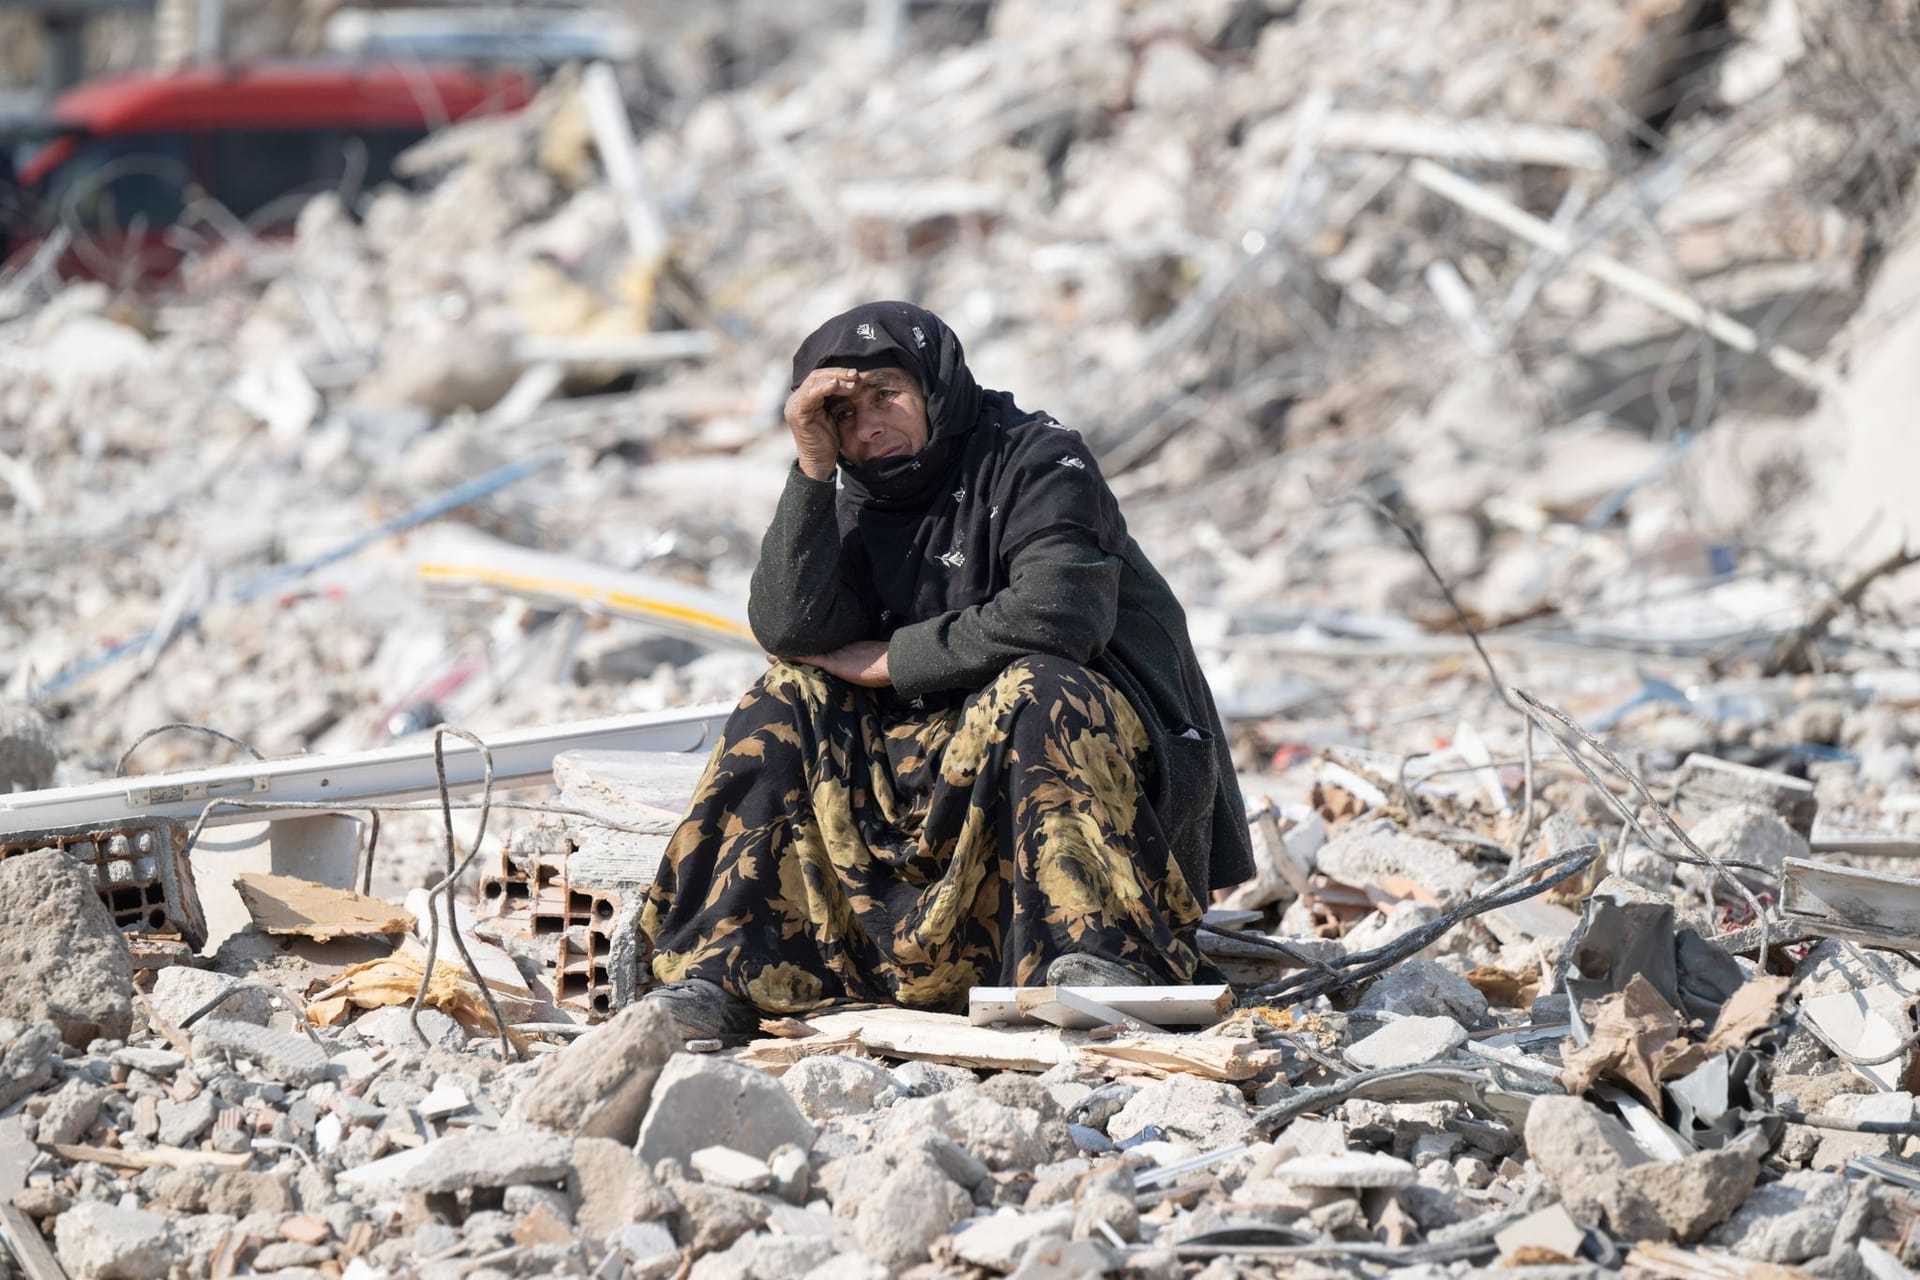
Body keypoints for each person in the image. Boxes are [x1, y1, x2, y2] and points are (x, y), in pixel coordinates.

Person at [639, 301, 1251, 1039]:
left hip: (1080, 765)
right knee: (785, 694)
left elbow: (1060, 616)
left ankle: (1099, 958)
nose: (869, 426)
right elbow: (789, 629)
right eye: (843, 413)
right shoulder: (852, 493)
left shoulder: (1038, 458)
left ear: (934, 386)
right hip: (930, 770)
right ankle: (725, 967)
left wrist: (896, 661)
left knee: (1037, 686)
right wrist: (810, 468)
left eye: (886, 397)